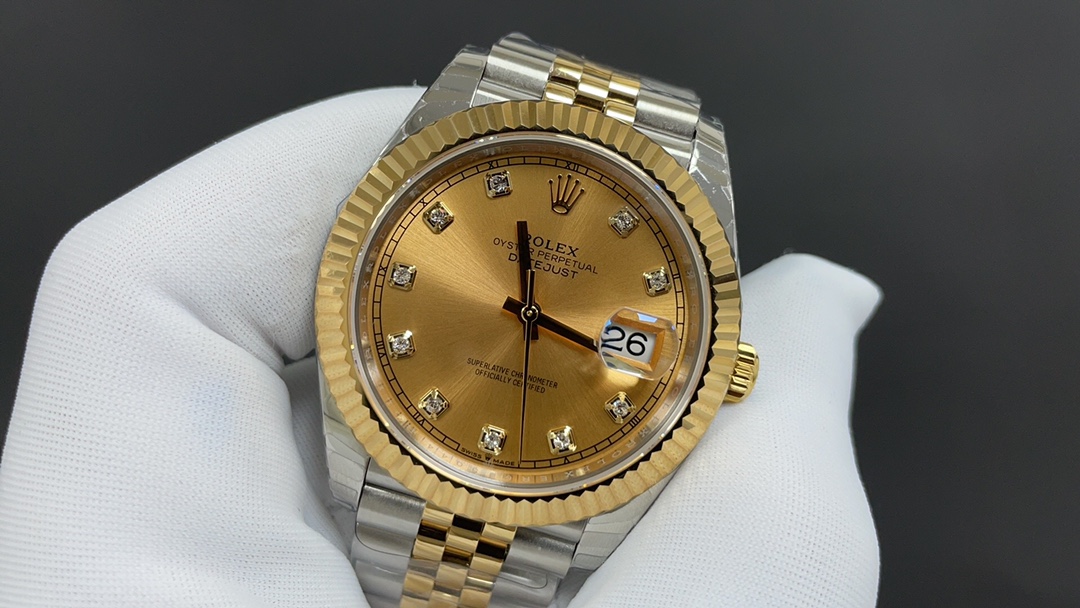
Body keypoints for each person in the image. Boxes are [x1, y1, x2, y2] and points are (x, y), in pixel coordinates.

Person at [0, 88, 882, 607]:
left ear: (724, 370)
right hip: (405, 437)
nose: (528, 316)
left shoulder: (680, 325)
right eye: (526, 308)